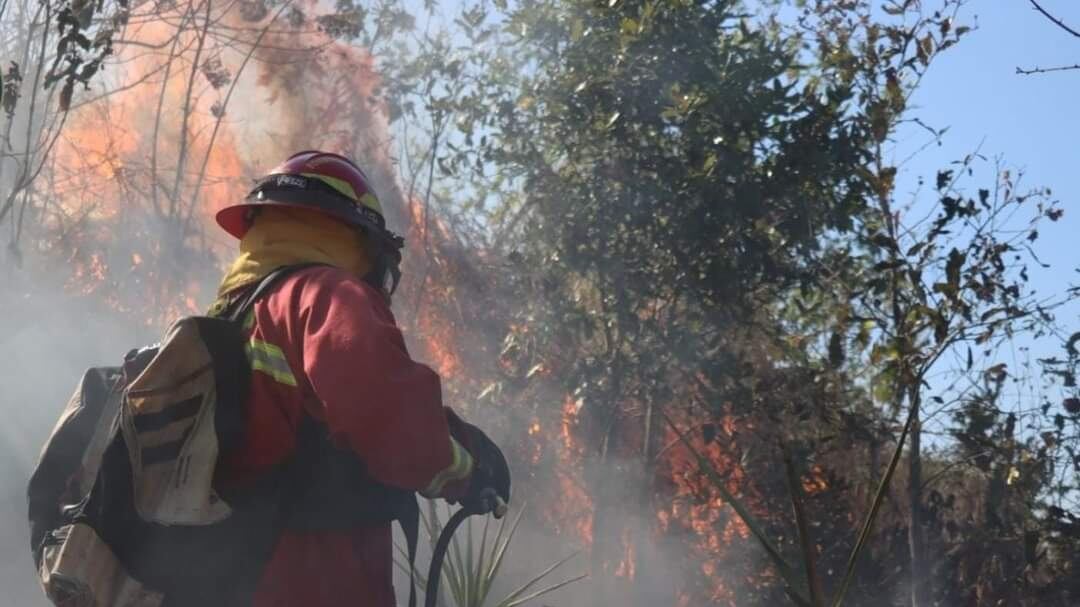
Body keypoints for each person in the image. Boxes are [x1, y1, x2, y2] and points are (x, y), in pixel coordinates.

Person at [210, 150, 510, 607]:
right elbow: (388, 417)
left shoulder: (237, 313)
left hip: (235, 573)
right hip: (314, 575)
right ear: (356, 236)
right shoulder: (325, 294)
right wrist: (468, 471)